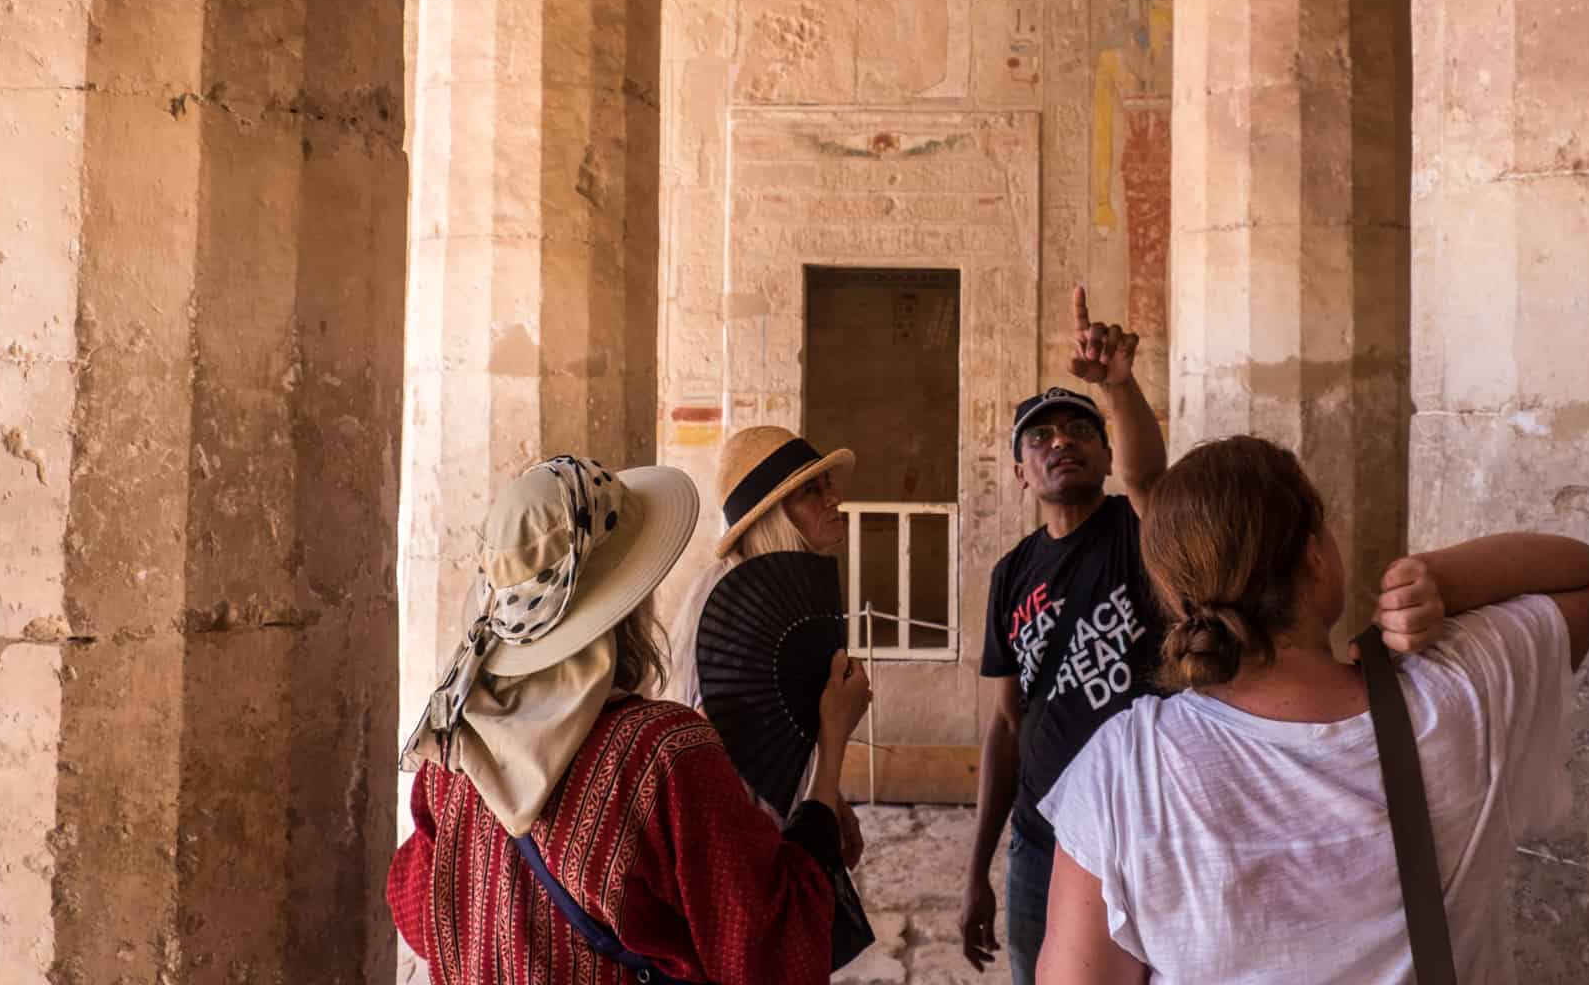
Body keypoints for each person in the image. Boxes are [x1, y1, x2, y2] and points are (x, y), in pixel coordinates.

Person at [1036, 435, 1589, 984]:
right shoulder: (1455, 699)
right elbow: (1582, 578)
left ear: (1172, 595)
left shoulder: (1123, 768)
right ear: (1316, 558)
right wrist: (1442, 579)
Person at [388, 454, 874, 984]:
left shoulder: (456, 754)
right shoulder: (662, 753)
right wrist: (831, 752)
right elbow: (771, 943)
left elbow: (419, 914)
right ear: (627, 597)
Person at [958, 286, 1168, 983]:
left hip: (1136, 829)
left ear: (1105, 459)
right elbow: (1006, 721)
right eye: (1040, 438)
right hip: (1040, 839)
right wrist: (978, 869)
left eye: (1080, 432)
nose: (1061, 444)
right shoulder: (1012, 574)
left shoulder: (1135, 534)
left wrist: (1118, 387)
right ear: (1021, 473)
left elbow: (1148, 474)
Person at [665, 424, 866, 862]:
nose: (834, 499)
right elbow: (726, 750)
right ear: (772, 513)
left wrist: (832, 802)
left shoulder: (778, 598)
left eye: (826, 485)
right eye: (811, 492)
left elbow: (783, 741)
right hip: (752, 841)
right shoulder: (738, 604)